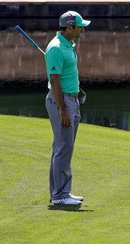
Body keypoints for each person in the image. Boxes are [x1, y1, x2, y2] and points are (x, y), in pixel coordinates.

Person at [45, 10, 90, 206]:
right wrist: (63, 109)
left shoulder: (67, 45)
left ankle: (63, 191)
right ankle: (59, 196)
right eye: (80, 27)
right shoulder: (56, 48)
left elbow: (63, 74)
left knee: (65, 146)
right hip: (61, 101)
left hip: (71, 100)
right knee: (63, 146)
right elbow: (54, 82)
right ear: (70, 27)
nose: (82, 30)